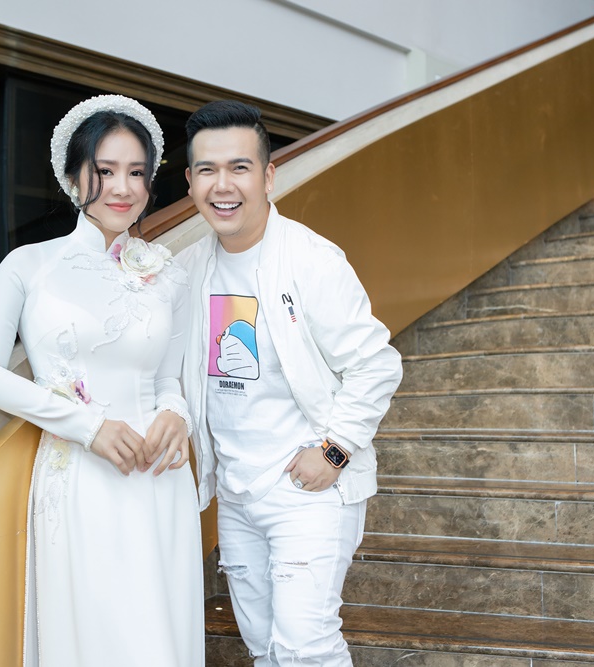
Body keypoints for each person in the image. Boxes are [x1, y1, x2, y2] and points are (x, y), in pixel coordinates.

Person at [0, 95, 203, 666]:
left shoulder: (168, 276)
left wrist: (178, 415)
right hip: (82, 474)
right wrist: (89, 426)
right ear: (73, 178)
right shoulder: (27, 266)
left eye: (137, 173)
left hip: (160, 476)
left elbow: (169, 377)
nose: (122, 187)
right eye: (105, 171)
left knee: (161, 636)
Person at [178, 100, 403, 666]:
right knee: (265, 649)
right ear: (189, 182)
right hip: (236, 493)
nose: (223, 185)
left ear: (268, 176)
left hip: (308, 489)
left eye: (239, 167)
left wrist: (334, 450)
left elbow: (377, 363)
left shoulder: (311, 260)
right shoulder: (189, 270)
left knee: (306, 647)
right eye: (207, 170)